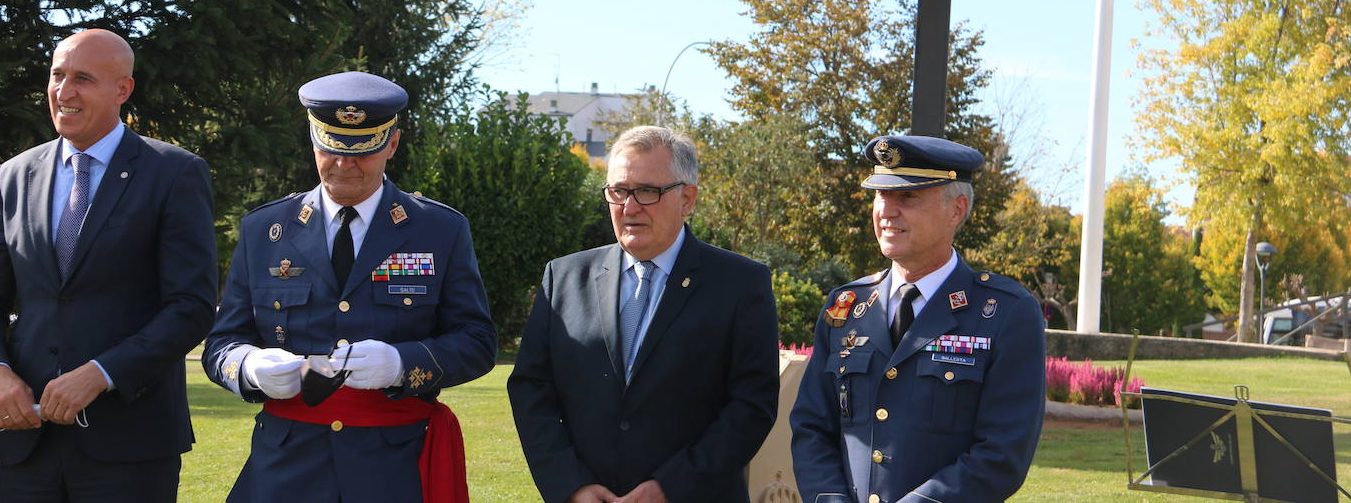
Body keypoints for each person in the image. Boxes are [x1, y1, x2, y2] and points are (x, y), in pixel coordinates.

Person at [203, 70, 496, 502]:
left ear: (391, 144)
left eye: (362, 151)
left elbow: (477, 341)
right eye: (332, 148)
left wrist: (402, 363)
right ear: (313, 140)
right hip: (285, 468)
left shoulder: (439, 230)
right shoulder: (266, 228)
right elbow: (222, 342)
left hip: (392, 468)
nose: (344, 164)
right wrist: (248, 367)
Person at [0, 28, 218, 501]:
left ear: (122, 90)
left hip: (130, 444)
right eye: (57, 75)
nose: (64, 92)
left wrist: (102, 373)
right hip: (26, 442)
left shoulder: (174, 172)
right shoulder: (14, 176)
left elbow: (190, 306)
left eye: (83, 79)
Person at [507, 125, 780, 503]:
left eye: (647, 192)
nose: (629, 207)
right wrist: (571, 485)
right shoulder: (565, 277)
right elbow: (530, 388)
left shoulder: (740, 284)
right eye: (618, 191)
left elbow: (752, 405)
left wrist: (671, 487)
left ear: (687, 199)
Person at [789, 134, 1046, 503]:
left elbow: (1002, 454)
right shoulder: (846, 306)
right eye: (881, 195)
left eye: (907, 197)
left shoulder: (1005, 311)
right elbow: (812, 427)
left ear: (957, 210)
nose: (887, 211)